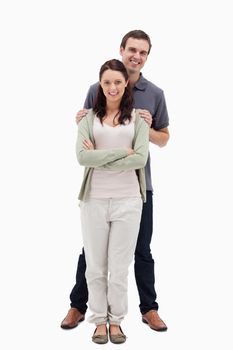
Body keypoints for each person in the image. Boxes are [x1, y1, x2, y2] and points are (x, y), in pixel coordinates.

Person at [61, 30, 169, 332]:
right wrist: (120, 149)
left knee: (141, 250)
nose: (136, 56)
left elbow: (164, 139)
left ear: (147, 57)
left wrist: (144, 131)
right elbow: (86, 131)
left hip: (137, 187)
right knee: (92, 254)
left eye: (143, 52)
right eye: (132, 49)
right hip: (97, 191)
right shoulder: (98, 87)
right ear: (122, 50)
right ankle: (78, 306)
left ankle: (149, 309)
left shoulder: (155, 94)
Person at [76, 58, 149, 344]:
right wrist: (123, 154)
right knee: (95, 265)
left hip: (128, 200)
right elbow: (82, 158)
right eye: (107, 82)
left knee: (119, 266)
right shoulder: (87, 119)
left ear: (125, 84)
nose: (112, 87)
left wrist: (101, 157)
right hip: (94, 199)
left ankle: (116, 321)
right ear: (100, 85)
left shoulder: (139, 118)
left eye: (117, 81)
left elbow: (141, 158)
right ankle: (97, 321)